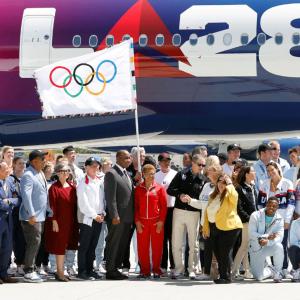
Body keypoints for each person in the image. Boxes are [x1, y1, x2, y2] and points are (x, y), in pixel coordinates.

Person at [167, 154, 207, 280]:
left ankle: (192, 269)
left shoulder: (203, 179)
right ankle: (178, 269)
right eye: (200, 165)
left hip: (194, 213)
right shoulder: (181, 174)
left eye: (203, 165)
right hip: (179, 211)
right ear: (193, 164)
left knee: (193, 243)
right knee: (176, 242)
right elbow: (170, 190)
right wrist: (180, 195)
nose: (202, 167)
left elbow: (204, 198)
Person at [202, 174, 242, 284]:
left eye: (224, 182)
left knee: (224, 252)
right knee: (218, 252)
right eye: (219, 181)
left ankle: (226, 277)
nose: (221, 184)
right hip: (214, 226)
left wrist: (229, 183)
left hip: (230, 227)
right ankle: (224, 274)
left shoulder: (230, 194)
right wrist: (206, 228)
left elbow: (235, 195)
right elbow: (207, 213)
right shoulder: (213, 196)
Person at [257, 161, 295, 278]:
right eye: (268, 171)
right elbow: (260, 204)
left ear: (278, 170)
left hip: (283, 220)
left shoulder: (287, 183)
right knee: (270, 244)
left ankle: (283, 269)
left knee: (283, 245)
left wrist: (287, 220)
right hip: (268, 221)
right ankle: (274, 269)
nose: (270, 172)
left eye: (272, 170)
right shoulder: (264, 184)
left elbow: (291, 203)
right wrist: (263, 219)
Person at [187, 163, 223, 280]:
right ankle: (206, 273)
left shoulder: (222, 186)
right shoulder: (207, 185)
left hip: (218, 223)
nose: (208, 173)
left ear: (217, 173)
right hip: (205, 223)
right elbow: (202, 204)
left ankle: (222, 273)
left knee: (219, 249)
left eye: (211, 171)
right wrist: (190, 201)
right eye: (208, 171)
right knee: (207, 249)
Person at [45, 163, 78, 282]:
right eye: (63, 171)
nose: (65, 173)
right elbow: (52, 206)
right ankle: (59, 272)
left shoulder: (72, 187)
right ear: (57, 172)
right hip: (59, 221)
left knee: (68, 246)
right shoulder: (54, 188)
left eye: (67, 171)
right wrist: (54, 221)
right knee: (59, 247)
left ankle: (64, 270)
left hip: (71, 222)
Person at [104, 150, 134, 280]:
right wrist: (114, 215)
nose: (129, 160)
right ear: (118, 158)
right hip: (117, 217)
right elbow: (110, 198)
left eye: (129, 158)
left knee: (122, 244)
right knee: (114, 243)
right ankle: (110, 270)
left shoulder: (126, 173)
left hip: (127, 217)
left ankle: (116, 268)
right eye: (126, 158)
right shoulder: (111, 173)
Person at [20, 150, 48, 283]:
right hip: (31, 217)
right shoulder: (28, 175)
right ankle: (28, 271)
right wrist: (31, 214)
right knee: (34, 242)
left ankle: (32, 268)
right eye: (42, 159)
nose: (44, 161)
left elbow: (43, 194)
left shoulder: (39, 172)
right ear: (34, 161)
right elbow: (26, 196)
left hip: (40, 215)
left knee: (36, 242)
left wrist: (48, 210)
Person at [135, 164, 167, 278]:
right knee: (142, 248)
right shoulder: (138, 189)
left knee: (157, 248)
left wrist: (161, 222)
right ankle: (144, 271)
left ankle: (157, 270)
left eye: (153, 173)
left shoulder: (159, 188)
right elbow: (136, 207)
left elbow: (164, 207)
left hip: (156, 223)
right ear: (143, 174)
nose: (152, 176)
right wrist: (137, 222)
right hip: (142, 223)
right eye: (149, 174)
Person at [77, 157, 105, 280]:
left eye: (97, 166)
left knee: (93, 246)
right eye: (93, 166)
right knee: (84, 246)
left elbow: (102, 200)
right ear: (86, 167)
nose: (96, 168)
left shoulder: (99, 181)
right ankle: (82, 271)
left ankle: (90, 269)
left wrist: (103, 213)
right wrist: (95, 215)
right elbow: (83, 204)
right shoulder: (83, 182)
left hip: (99, 217)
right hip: (88, 219)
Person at [121, 147, 146, 275]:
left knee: (142, 240)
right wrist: (135, 180)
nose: (142, 158)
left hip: (143, 212)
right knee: (126, 238)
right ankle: (125, 264)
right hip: (129, 211)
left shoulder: (146, 169)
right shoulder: (127, 170)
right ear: (133, 157)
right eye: (140, 156)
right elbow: (126, 189)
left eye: (143, 156)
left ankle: (142, 264)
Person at [248, 197, 284, 282]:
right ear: (266, 204)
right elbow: (251, 233)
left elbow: (280, 237)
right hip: (256, 247)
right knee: (258, 277)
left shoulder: (280, 218)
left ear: (277, 207)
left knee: (279, 246)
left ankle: (277, 272)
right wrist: (266, 236)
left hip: (268, 246)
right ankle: (270, 270)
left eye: (274, 206)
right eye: (270, 205)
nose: (271, 207)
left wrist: (267, 242)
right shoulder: (255, 215)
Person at [231, 166, 257, 280]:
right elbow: (239, 208)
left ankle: (247, 271)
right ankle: (234, 271)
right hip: (246, 221)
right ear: (246, 174)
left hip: (254, 220)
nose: (254, 173)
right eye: (252, 171)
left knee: (247, 246)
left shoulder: (253, 187)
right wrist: (248, 218)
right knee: (244, 245)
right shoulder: (239, 188)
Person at [155, 152, 177, 276]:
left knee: (173, 238)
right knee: (162, 239)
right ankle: (163, 265)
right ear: (159, 162)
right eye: (163, 160)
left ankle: (173, 265)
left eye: (168, 160)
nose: (166, 162)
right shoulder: (156, 176)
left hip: (172, 209)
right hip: (160, 211)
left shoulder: (175, 174)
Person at [0, 161, 19, 284]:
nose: (8, 170)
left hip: (8, 221)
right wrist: (7, 202)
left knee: (7, 248)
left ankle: (3, 273)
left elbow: (18, 199)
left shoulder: (10, 181)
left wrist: (8, 201)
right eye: (5, 168)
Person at [9, 157, 26, 276]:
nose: (22, 165)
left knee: (22, 239)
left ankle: (21, 263)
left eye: (24, 163)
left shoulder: (27, 178)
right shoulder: (10, 179)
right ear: (14, 165)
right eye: (19, 163)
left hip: (25, 213)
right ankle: (10, 264)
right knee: (12, 239)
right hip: (13, 213)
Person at [288, 216, 300, 281]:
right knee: (292, 248)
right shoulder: (295, 223)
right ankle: (296, 270)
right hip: (298, 248)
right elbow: (293, 242)